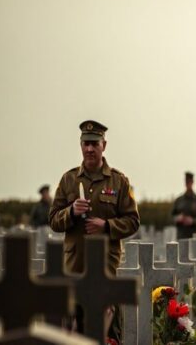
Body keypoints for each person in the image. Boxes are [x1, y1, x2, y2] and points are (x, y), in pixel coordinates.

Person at [48, 120, 140, 343]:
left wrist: (106, 226)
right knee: (74, 332)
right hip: (75, 268)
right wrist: (70, 212)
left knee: (107, 333)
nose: (89, 149)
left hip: (105, 270)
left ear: (104, 145)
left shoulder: (119, 181)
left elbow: (133, 221)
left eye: (94, 144)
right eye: (85, 143)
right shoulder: (68, 179)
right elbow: (53, 220)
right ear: (81, 146)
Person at [172, 172, 196, 240]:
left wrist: (193, 221)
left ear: (192, 182)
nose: (187, 183)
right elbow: (171, 216)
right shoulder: (179, 200)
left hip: (194, 236)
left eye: (189, 181)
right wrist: (178, 218)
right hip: (181, 236)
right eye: (186, 181)